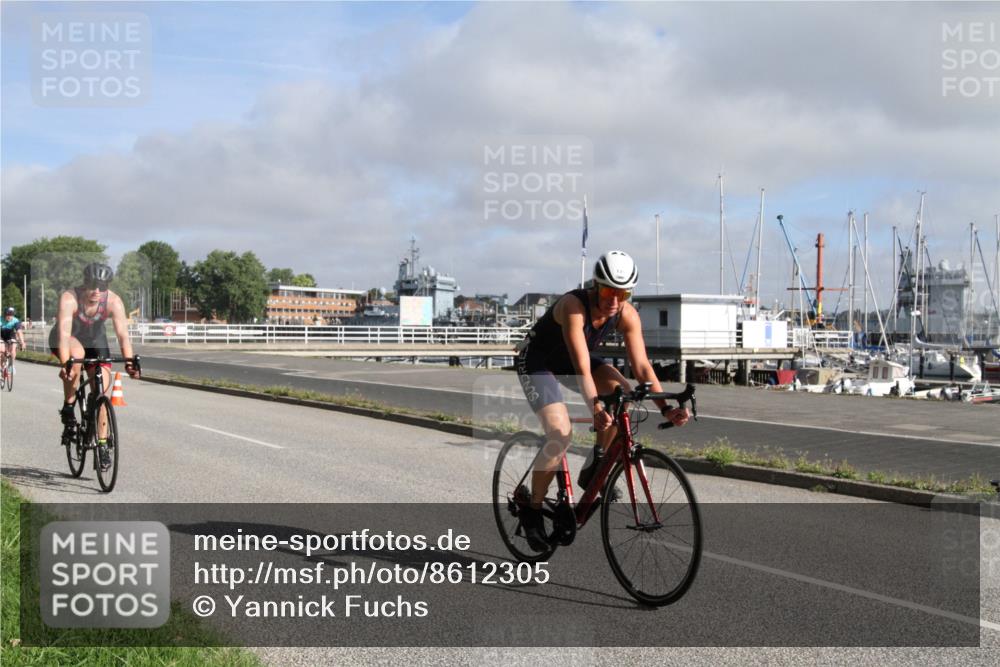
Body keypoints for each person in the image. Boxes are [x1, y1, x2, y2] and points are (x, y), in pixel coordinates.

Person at [514, 250, 689, 550]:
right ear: (596, 286)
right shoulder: (574, 306)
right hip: (539, 361)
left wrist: (666, 408)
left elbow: (642, 366)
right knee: (560, 434)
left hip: (572, 361)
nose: (614, 301)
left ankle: (595, 465)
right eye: (608, 292)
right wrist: (595, 406)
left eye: (623, 294)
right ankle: (532, 509)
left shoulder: (626, 314)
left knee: (622, 393)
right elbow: (582, 366)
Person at [49, 262, 140, 468]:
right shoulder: (69, 298)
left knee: (101, 392)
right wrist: (65, 364)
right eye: (92, 285)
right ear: (84, 283)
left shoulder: (114, 301)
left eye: (102, 286)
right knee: (76, 357)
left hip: (95, 339)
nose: (97, 291)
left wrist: (129, 363)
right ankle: (69, 406)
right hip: (68, 337)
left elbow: (123, 336)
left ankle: (102, 445)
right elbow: (63, 335)